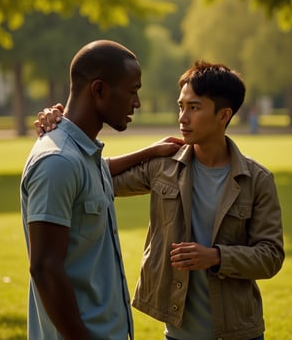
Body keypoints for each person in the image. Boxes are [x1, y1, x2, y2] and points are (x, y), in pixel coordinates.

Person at [36, 61, 284, 340]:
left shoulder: (258, 179)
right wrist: (61, 126)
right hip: (177, 334)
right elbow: (89, 175)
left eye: (194, 107)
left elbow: (271, 256)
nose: (182, 117)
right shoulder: (162, 167)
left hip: (241, 333)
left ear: (223, 115)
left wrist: (215, 257)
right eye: (181, 106)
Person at [21, 39, 181, 340]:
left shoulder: (82, 157)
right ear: (99, 90)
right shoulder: (57, 161)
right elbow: (44, 267)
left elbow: (98, 171)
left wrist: (151, 151)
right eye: (133, 90)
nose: (138, 103)